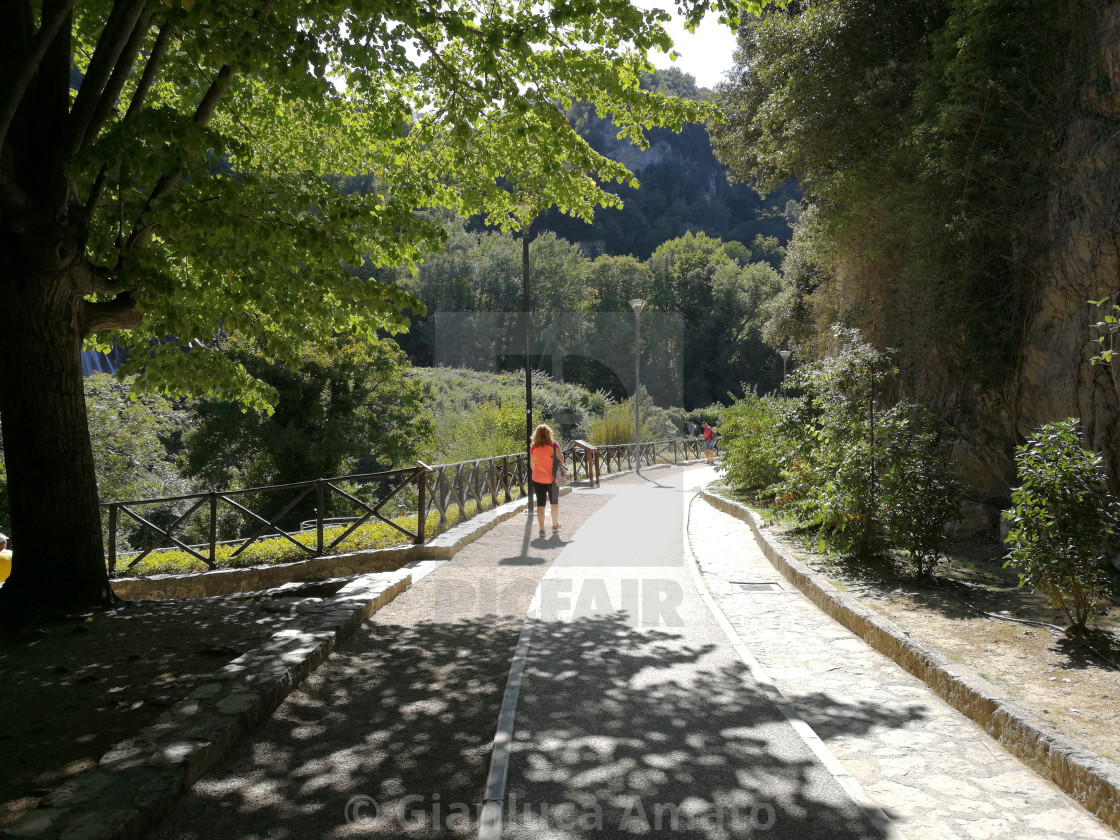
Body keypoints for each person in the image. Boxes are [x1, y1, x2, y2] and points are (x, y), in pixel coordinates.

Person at [529, 424, 564, 537]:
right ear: (549, 433)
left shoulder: (533, 448)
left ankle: (542, 530)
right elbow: (562, 459)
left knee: (540, 504)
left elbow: (532, 465)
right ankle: (554, 525)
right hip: (552, 479)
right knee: (554, 502)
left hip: (538, 478)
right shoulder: (554, 445)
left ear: (536, 435)